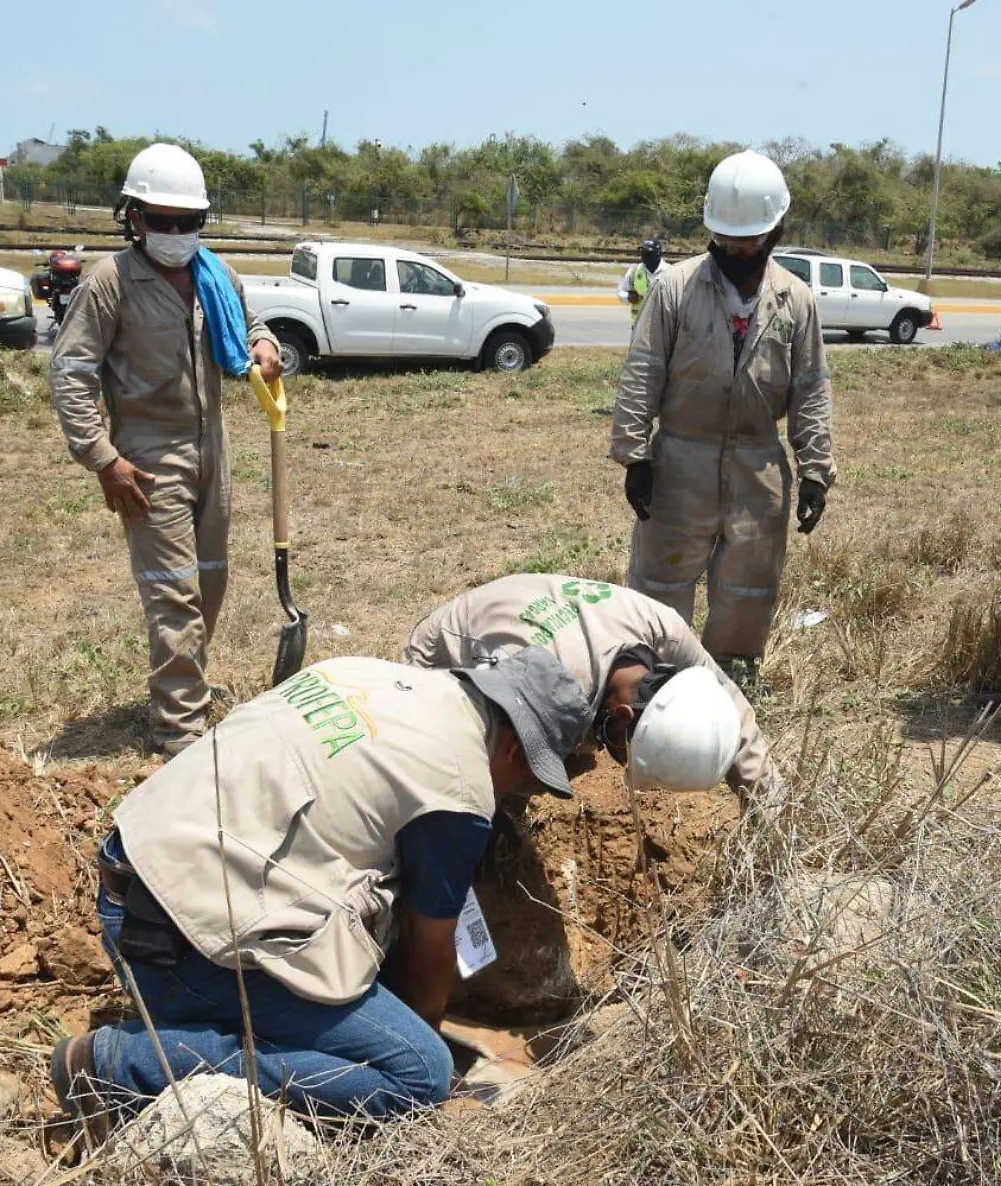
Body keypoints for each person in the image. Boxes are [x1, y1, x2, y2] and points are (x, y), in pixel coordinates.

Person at [49, 648, 593, 1136]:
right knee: (417, 1075)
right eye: (527, 780)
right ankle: (119, 1069)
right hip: (177, 944)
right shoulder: (458, 785)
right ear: (518, 753)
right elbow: (431, 957)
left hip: (134, 870)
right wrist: (414, 1041)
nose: (513, 793)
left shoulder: (367, 673)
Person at [49, 143, 283, 756]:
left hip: (213, 450)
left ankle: (186, 685)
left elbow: (251, 323)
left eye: (189, 222)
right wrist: (102, 458)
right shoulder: (110, 283)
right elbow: (71, 371)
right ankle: (179, 733)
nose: (177, 234)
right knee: (173, 591)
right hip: (148, 459)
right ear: (133, 217)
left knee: (209, 581)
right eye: (163, 221)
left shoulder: (215, 274)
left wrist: (263, 344)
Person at [613, 150, 835, 685]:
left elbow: (811, 389)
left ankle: (728, 685)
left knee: (748, 587)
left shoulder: (796, 301)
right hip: (679, 464)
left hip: (759, 469)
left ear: (776, 230)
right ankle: (654, 683)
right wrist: (635, 454)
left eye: (749, 239)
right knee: (660, 583)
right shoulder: (675, 289)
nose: (736, 248)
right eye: (727, 237)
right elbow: (642, 370)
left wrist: (814, 470)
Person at [405, 572, 775, 799]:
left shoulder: (662, 627)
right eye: (620, 754)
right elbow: (487, 761)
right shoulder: (542, 682)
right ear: (622, 713)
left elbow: (731, 707)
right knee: (509, 766)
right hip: (447, 647)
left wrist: (770, 807)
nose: (615, 762)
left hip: (526, 604)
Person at [618, 238, 667, 323]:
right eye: (643, 252)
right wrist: (628, 297)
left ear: (658, 254)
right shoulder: (634, 271)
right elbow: (620, 292)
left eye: (648, 253)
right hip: (639, 324)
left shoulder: (669, 271)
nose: (644, 256)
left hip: (662, 325)